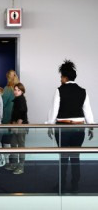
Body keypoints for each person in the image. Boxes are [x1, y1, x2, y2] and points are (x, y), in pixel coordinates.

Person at [47, 59, 94, 192]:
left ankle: (61, 185)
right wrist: (91, 127)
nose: (60, 79)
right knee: (75, 156)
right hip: (79, 128)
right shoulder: (83, 91)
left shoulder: (59, 90)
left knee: (62, 157)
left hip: (62, 128)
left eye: (61, 77)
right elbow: (88, 111)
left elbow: (53, 111)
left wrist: (50, 126)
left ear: (65, 77)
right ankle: (75, 185)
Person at [5, 83, 28, 174]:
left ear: (22, 91)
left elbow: (22, 114)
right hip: (16, 125)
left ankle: (21, 166)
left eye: (18, 90)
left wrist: (17, 125)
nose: (16, 91)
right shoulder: (17, 99)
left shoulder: (21, 100)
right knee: (13, 144)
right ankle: (14, 164)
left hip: (20, 126)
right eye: (15, 89)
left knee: (21, 146)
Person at [2, 70, 20, 167]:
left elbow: (2, 104)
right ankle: (14, 162)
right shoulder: (19, 89)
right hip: (16, 119)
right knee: (14, 141)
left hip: (7, 118)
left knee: (6, 140)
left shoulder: (7, 89)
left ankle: (7, 162)